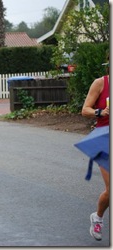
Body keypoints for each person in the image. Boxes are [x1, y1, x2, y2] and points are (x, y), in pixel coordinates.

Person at [81, 57, 109, 241]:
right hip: (104, 138)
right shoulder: (100, 83)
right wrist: (101, 112)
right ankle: (98, 217)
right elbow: (85, 110)